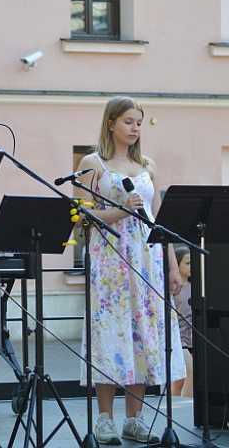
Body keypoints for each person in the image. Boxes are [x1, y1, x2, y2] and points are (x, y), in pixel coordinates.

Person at [76, 96, 185, 444]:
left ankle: (133, 419)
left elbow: (159, 222)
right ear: (110, 123)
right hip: (110, 263)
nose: (135, 128)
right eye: (128, 121)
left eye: (139, 122)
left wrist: (172, 268)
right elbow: (82, 218)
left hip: (147, 261)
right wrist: (122, 210)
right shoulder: (92, 163)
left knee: (142, 336)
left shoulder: (148, 166)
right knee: (110, 334)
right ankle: (104, 419)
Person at [171, 244, 193, 398]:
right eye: (187, 263)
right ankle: (187, 406)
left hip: (193, 338)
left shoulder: (197, 286)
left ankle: (175, 401)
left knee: (179, 381)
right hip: (178, 338)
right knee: (190, 373)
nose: (191, 266)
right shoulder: (172, 288)